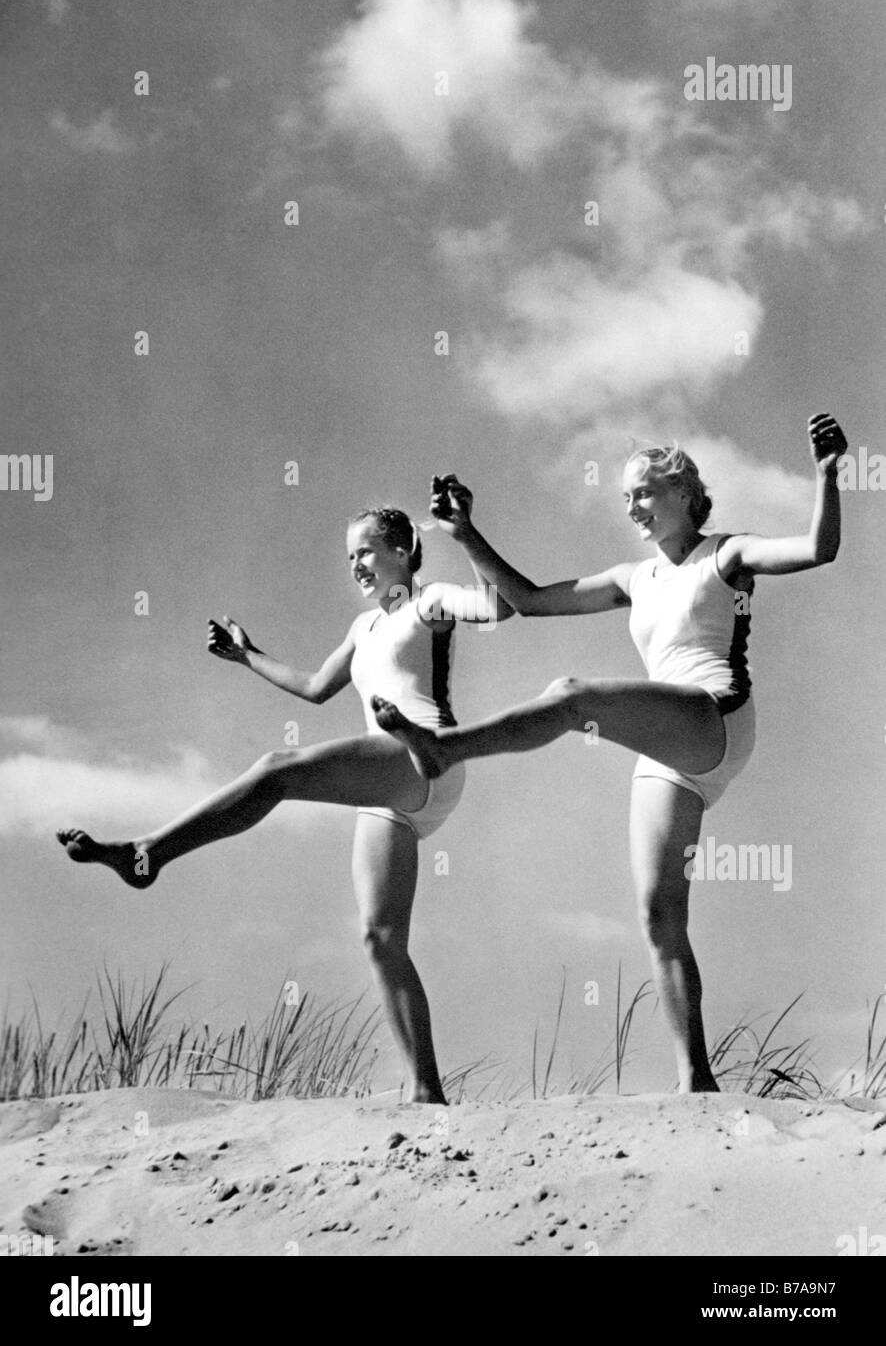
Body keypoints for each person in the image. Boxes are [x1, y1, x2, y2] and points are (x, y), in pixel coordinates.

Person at [372, 415, 846, 1093]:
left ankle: (447, 748)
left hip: (714, 716)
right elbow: (530, 601)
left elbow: (818, 548)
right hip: (666, 747)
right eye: (625, 498)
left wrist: (828, 474)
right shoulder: (635, 576)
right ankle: (698, 1084)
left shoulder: (727, 554)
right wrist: (466, 533)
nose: (632, 508)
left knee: (572, 696)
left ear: (684, 492)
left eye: (644, 493)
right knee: (658, 915)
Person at [57, 506, 513, 1104]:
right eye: (350, 556)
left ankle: (149, 854)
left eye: (368, 552)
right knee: (379, 938)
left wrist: (466, 533)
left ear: (403, 549)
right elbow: (315, 689)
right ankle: (427, 1091)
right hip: (387, 791)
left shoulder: (430, 604)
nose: (356, 565)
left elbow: (500, 605)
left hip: (424, 755)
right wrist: (248, 655)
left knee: (275, 770)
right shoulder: (362, 630)